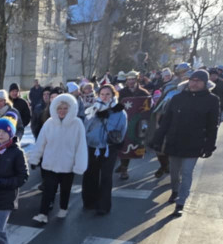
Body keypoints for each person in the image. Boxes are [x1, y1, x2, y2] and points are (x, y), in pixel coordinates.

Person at [151, 69, 219, 217]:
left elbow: (213, 125)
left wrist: (209, 145)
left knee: (187, 173)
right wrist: (157, 139)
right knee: (174, 173)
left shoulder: (212, 100)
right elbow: (166, 121)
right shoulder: (177, 98)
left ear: (205, 83)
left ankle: (180, 203)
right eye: (192, 80)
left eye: (198, 81)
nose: (194, 83)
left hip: (194, 143)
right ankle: (175, 191)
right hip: (175, 141)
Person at [29, 93, 86, 224]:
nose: (62, 111)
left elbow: (81, 146)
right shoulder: (49, 123)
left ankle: (63, 208)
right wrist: (35, 159)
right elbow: (41, 142)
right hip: (50, 163)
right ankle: (42, 214)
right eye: (59, 108)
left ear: (71, 109)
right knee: (48, 190)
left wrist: (80, 165)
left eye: (65, 108)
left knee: (65, 189)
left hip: (68, 165)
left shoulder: (77, 124)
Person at [82, 84, 127, 216]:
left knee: (106, 176)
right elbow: (86, 126)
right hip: (93, 146)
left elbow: (122, 128)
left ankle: (103, 205)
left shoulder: (119, 112)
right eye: (102, 94)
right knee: (91, 174)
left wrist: (116, 141)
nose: (105, 97)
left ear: (113, 95)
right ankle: (89, 201)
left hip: (109, 147)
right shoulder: (93, 109)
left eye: (108, 94)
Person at [115, 72, 150, 181]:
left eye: (133, 79)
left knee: (134, 145)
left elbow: (148, 108)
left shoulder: (143, 92)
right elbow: (117, 106)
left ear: (137, 80)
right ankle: (124, 169)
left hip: (138, 123)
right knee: (125, 145)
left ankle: (123, 165)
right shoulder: (122, 92)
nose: (131, 82)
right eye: (129, 79)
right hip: (124, 122)